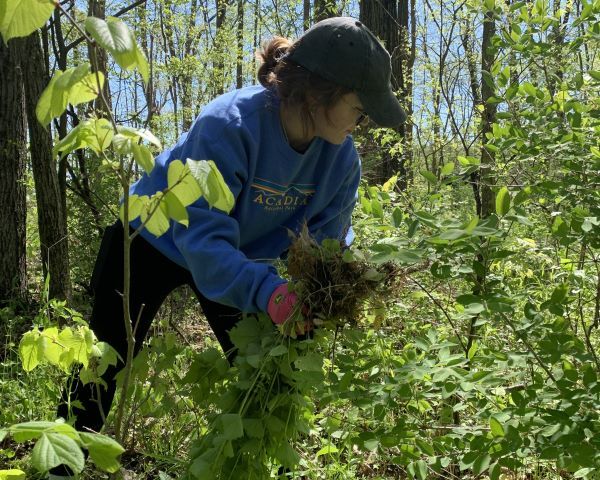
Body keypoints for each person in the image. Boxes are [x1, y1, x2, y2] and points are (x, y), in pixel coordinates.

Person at [48, 16, 406, 479]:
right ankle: (59, 468)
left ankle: (239, 468)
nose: (364, 122)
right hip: (151, 235)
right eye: (359, 107)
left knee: (260, 368)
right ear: (319, 93)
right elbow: (205, 242)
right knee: (102, 363)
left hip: (241, 256)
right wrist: (269, 292)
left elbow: (327, 243)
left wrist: (323, 292)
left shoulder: (341, 160)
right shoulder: (231, 124)